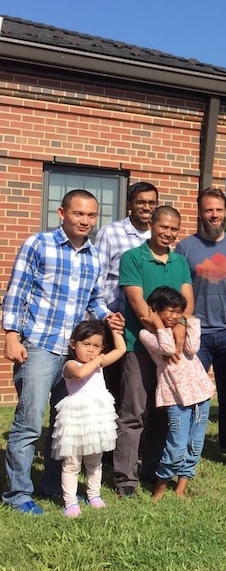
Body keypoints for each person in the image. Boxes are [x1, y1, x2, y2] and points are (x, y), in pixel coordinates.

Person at [2, 189, 124, 515]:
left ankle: (54, 486)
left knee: (63, 424)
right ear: (62, 213)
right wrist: (11, 336)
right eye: (78, 214)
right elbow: (17, 292)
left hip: (73, 355)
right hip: (40, 346)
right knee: (29, 423)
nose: (85, 220)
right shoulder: (38, 244)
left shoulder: (94, 256)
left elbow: (93, 300)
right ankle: (18, 494)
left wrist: (107, 315)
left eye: (91, 215)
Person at [114, 205, 194, 498]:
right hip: (139, 345)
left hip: (171, 351)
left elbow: (188, 302)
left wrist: (180, 328)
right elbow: (139, 306)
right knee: (133, 412)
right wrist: (166, 332)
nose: (168, 233)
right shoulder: (133, 258)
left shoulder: (180, 262)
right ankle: (125, 479)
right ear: (152, 225)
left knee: (162, 412)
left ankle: (152, 471)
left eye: (174, 229)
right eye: (164, 227)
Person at [175, 187, 226, 467]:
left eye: (218, 209)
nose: (214, 215)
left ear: (225, 212)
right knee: (191, 393)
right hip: (196, 331)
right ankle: (191, 448)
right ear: (200, 212)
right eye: (208, 210)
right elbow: (179, 293)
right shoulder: (185, 247)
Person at [139, 286, 215, 500]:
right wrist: (157, 324)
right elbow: (168, 350)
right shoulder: (147, 334)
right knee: (176, 445)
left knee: (195, 444)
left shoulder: (181, 325)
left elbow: (192, 347)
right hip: (175, 397)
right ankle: (160, 488)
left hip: (200, 393)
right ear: (155, 309)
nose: (174, 316)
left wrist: (188, 321)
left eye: (178, 311)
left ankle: (181, 488)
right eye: (169, 311)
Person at [50, 321, 127, 517]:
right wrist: (100, 359)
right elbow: (80, 373)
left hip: (97, 419)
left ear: (102, 347)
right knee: (72, 463)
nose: (91, 351)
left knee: (95, 461)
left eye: (96, 346)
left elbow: (121, 349)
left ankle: (94, 494)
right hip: (75, 419)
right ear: (73, 344)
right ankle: (70, 501)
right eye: (86, 344)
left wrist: (115, 330)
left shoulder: (98, 362)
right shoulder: (70, 364)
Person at [94, 182, 158, 407]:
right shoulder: (111, 233)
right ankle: (113, 440)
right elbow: (97, 277)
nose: (146, 207)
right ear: (130, 203)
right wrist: (103, 316)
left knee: (142, 388)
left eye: (151, 203)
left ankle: (141, 440)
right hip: (116, 323)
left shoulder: (160, 233)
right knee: (113, 387)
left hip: (149, 324)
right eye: (141, 202)